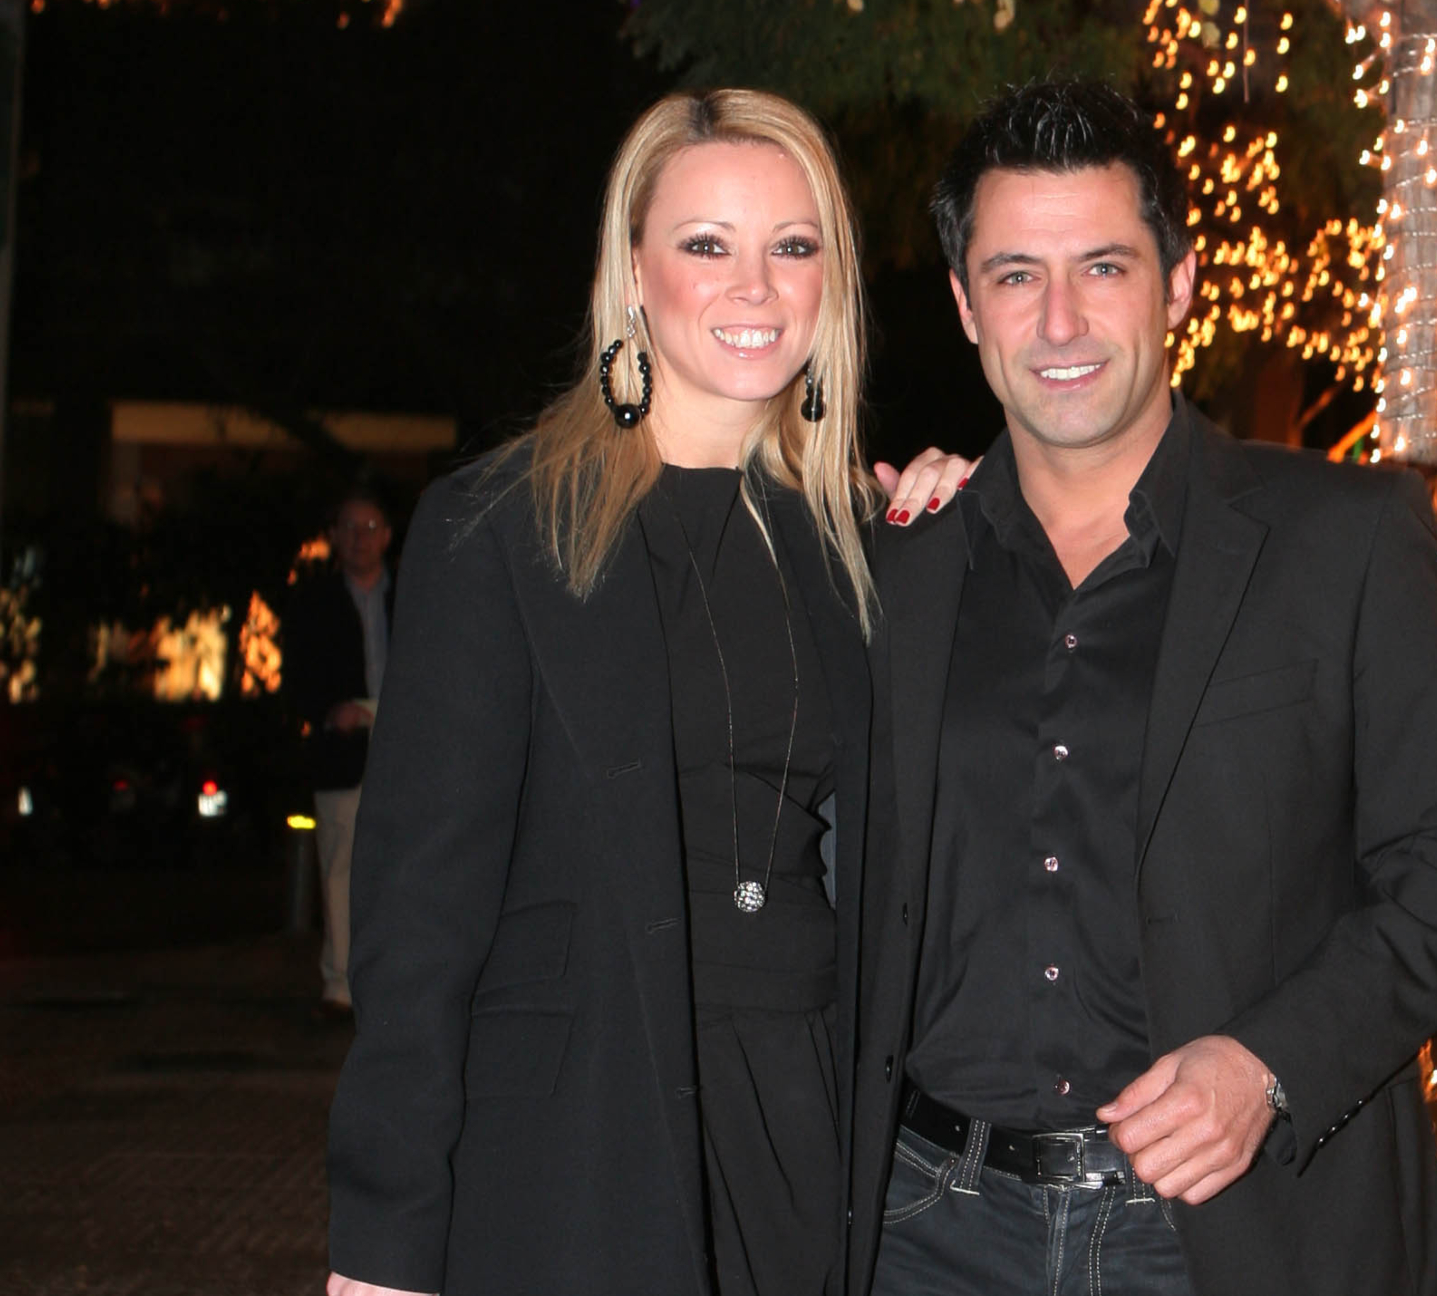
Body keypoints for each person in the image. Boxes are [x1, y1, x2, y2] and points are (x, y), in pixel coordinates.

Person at [852, 82, 1437, 1296]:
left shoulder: (1348, 539)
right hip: (927, 1233)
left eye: (1103, 267)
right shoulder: (896, 561)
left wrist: (1269, 1066)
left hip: (1229, 1233)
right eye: (1015, 275)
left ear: (1179, 282)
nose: (1059, 320)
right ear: (964, 304)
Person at [326, 89, 971, 1296]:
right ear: (634, 272)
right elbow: (418, 930)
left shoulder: (862, 543)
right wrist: (383, 1239)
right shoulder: (501, 531)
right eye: (706, 245)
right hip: (577, 1147)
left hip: (806, 1131)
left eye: (793, 246)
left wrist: (971, 529)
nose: (756, 287)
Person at [284, 488, 395, 1018]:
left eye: (370, 528)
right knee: (340, 868)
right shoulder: (313, 602)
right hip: (342, 750)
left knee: (404, 865)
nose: (359, 539)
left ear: (388, 537)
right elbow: (296, 681)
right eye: (349, 528)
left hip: (404, 745)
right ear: (332, 537)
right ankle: (341, 983)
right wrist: (332, 712)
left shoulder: (414, 594)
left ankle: (397, 979)